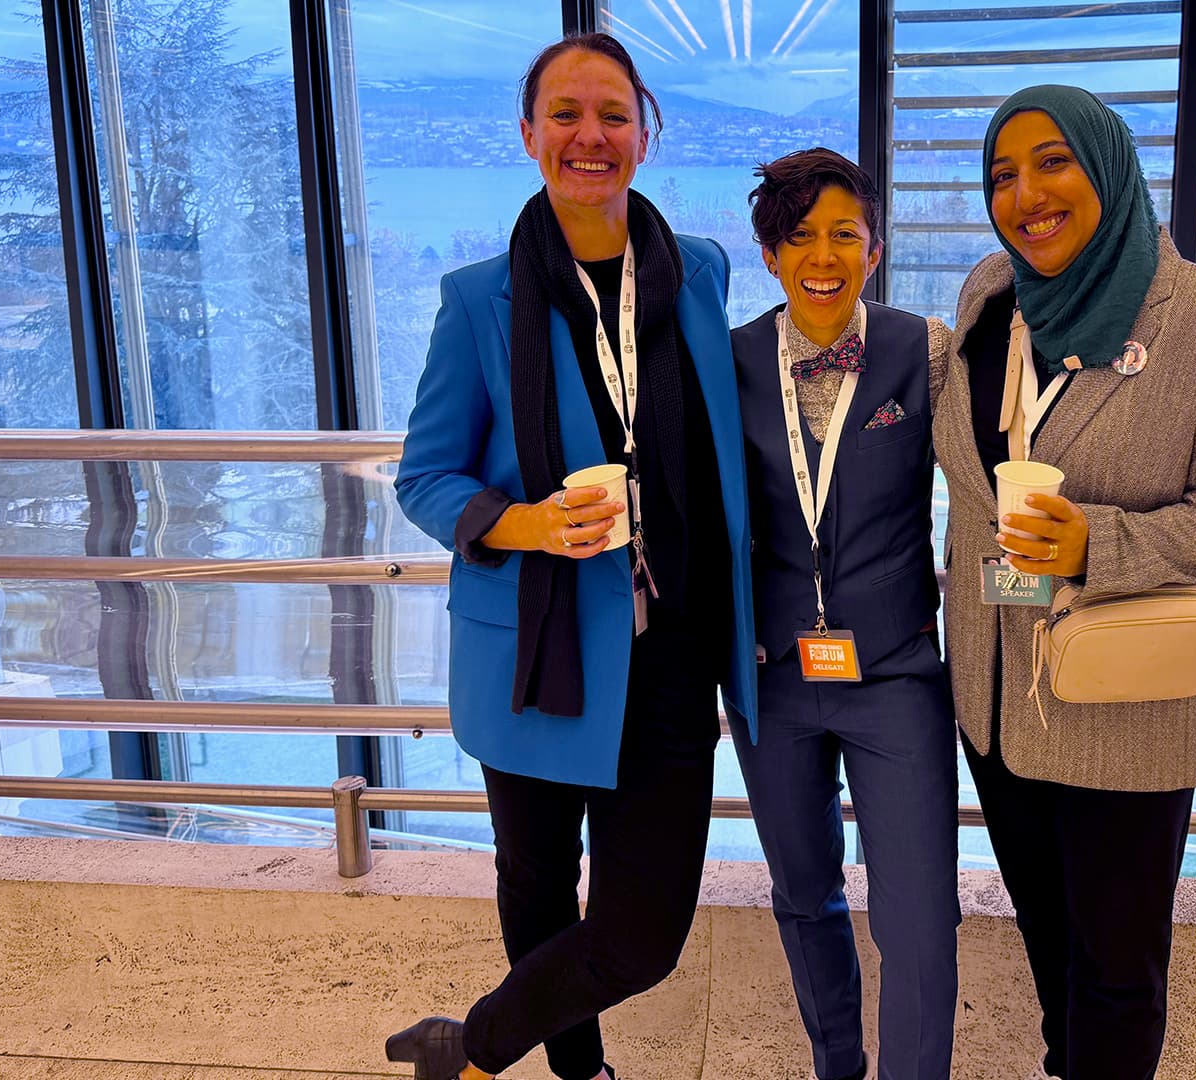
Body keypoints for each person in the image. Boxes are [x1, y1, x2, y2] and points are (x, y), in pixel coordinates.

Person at [387, 33, 757, 1080]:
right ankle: (578, 1071)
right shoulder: (477, 298)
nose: (589, 136)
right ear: (528, 135)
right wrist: (526, 523)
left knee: (645, 932)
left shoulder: (700, 276)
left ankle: (470, 1046)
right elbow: (426, 479)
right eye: (565, 114)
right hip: (536, 652)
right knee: (539, 886)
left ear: (644, 133)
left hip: (671, 652)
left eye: (611, 114)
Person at [931, 85, 1196, 1080]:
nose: (1026, 193)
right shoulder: (988, 295)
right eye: (1002, 173)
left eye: (1053, 162)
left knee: (1119, 973)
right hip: (999, 699)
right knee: (1051, 945)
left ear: (1109, 168)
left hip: (1124, 710)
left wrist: (1099, 544)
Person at [728, 148, 958, 1080]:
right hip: (775, 675)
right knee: (804, 894)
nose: (822, 254)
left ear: (873, 249)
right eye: (799, 236)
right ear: (772, 254)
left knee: (918, 919)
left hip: (896, 670)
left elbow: (985, 486)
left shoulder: (923, 350)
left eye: (844, 234)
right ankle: (836, 1065)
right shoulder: (730, 361)